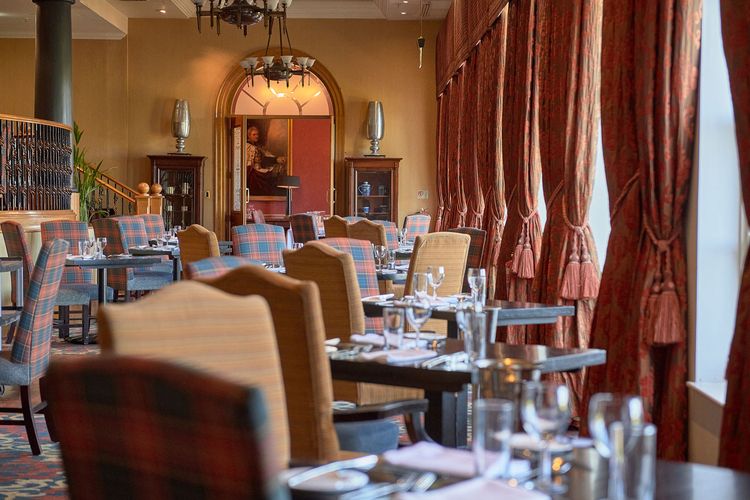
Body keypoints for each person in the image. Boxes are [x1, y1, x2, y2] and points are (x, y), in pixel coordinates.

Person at [246, 125, 286, 196]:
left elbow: (267, 154)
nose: (256, 136)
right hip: (253, 172)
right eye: (254, 134)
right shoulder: (248, 147)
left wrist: (276, 159)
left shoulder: (258, 146)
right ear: (249, 135)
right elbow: (254, 162)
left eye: (257, 134)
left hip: (259, 169)